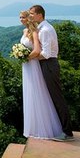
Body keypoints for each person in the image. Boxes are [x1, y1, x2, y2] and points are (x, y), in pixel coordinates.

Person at [18, 10, 65, 140]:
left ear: (30, 18)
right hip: (29, 65)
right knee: (31, 94)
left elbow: (39, 51)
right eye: (20, 17)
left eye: (24, 17)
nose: (21, 19)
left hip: (35, 64)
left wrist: (24, 56)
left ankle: (54, 129)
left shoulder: (38, 31)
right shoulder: (26, 32)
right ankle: (33, 127)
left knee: (41, 93)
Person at [29, 4, 73, 139]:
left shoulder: (45, 30)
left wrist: (29, 57)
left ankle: (67, 132)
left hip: (49, 65)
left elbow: (46, 53)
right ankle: (59, 129)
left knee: (57, 97)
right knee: (51, 97)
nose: (30, 16)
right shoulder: (41, 29)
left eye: (31, 14)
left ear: (39, 15)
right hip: (46, 65)